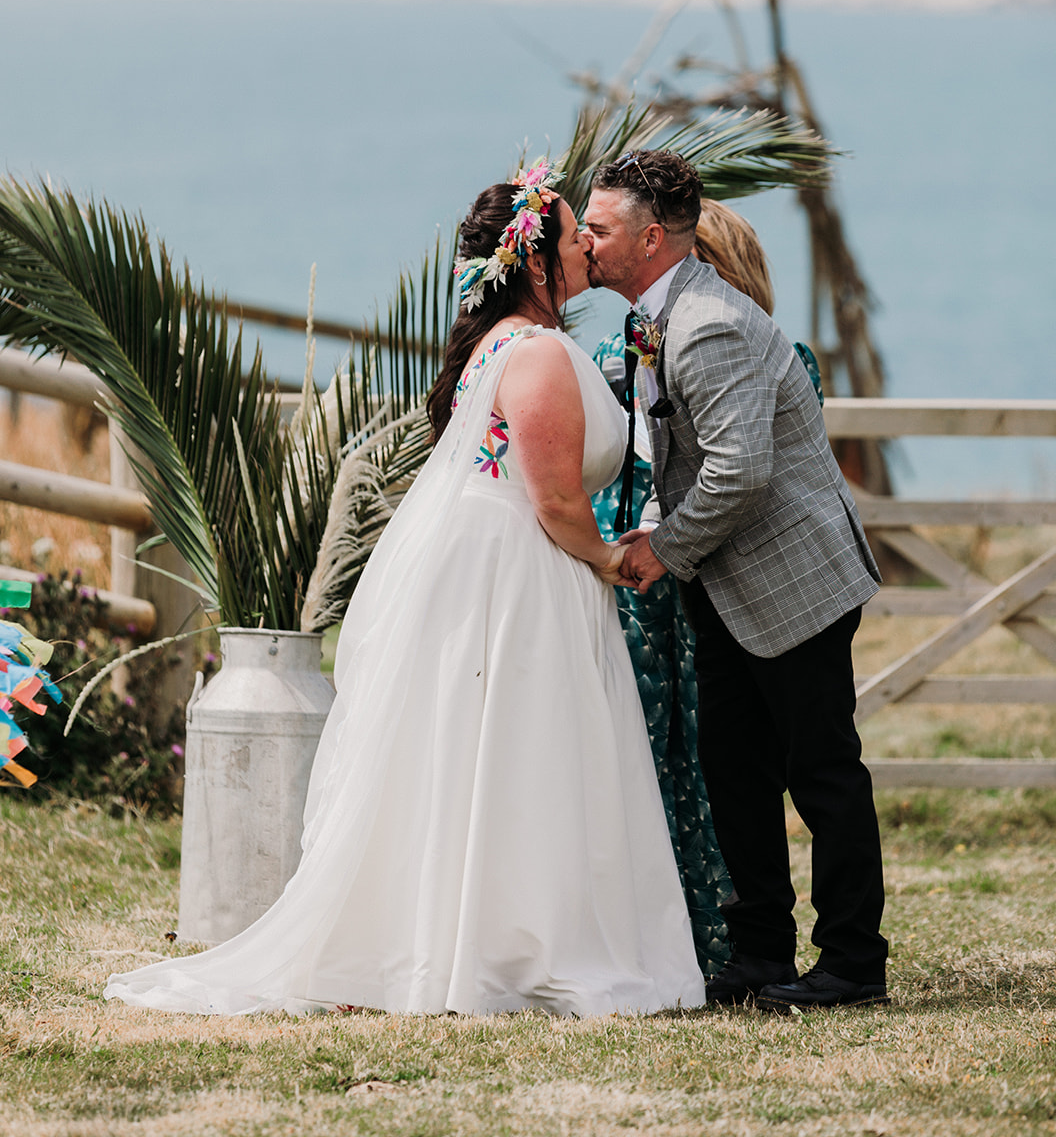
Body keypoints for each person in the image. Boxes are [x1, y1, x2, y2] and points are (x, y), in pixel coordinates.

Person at [104, 161, 705, 1018]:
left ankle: (481, 927)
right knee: (519, 747)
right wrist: (610, 559)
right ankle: (510, 943)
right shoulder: (534, 354)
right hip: (521, 571)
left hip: (491, 559)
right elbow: (555, 498)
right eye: (573, 235)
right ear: (534, 262)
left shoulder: (501, 345)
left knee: (491, 749)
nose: (583, 248)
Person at [583, 150, 890, 1014]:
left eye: (598, 229)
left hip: (792, 582)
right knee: (736, 774)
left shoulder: (706, 324)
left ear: (648, 238)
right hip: (725, 582)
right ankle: (758, 954)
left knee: (821, 773)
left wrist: (660, 548)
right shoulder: (662, 314)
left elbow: (739, 474)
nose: (585, 242)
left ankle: (852, 964)